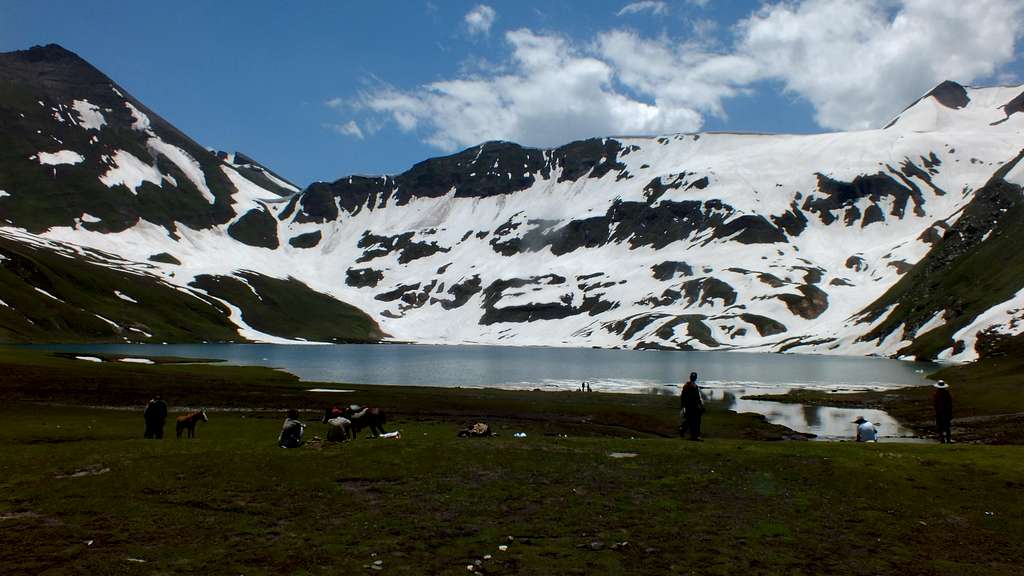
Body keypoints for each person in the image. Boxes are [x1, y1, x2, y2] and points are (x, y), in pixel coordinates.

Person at [679, 372, 705, 441]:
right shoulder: (689, 386)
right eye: (693, 377)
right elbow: (683, 397)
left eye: (694, 377)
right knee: (693, 421)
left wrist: (700, 405)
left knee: (692, 421)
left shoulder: (693, 386)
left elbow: (697, 397)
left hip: (693, 407)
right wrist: (683, 406)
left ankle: (685, 431)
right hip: (691, 406)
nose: (693, 378)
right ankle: (694, 436)